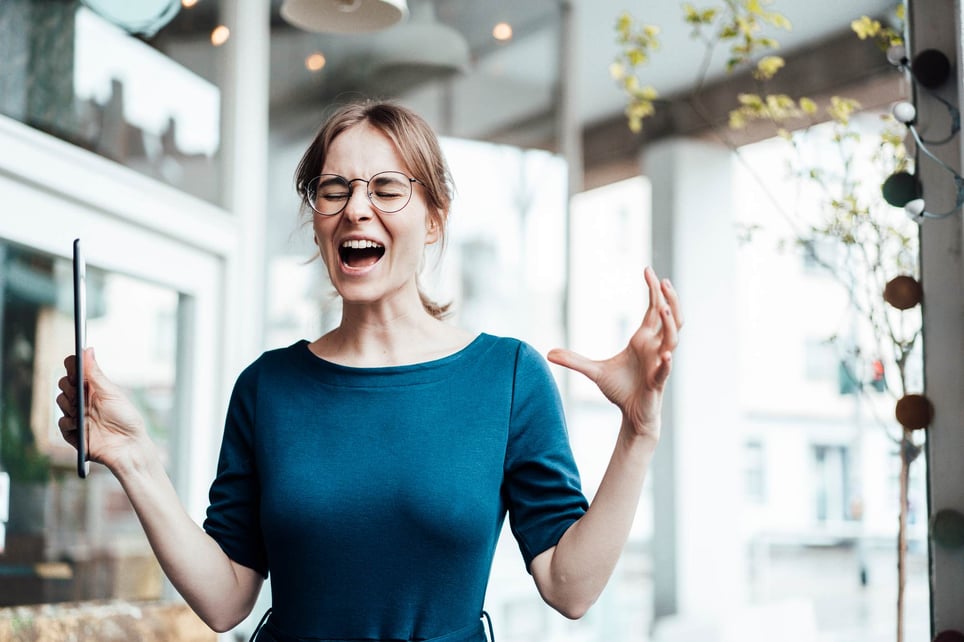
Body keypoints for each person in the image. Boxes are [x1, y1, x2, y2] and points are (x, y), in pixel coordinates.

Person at [57, 100, 682, 642]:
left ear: (434, 218)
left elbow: (569, 588)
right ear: (318, 218)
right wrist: (135, 457)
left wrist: (637, 433)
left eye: (387, 189)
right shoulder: (267, 387)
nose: (357, 207)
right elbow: (226, 600)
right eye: (335, 190)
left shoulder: (508, 376)